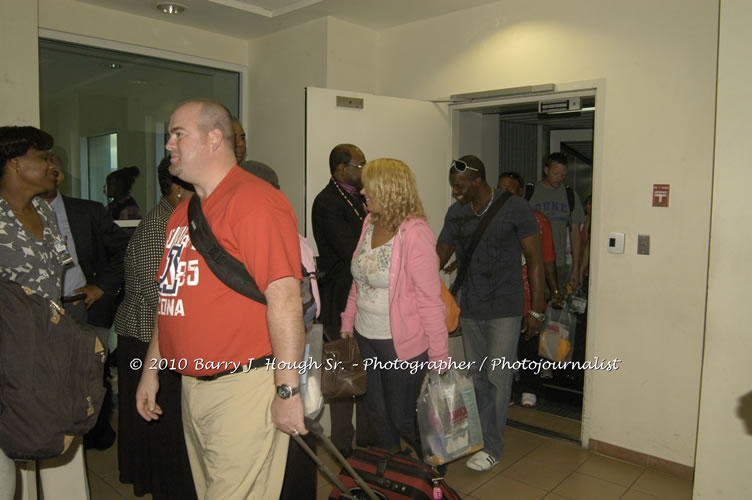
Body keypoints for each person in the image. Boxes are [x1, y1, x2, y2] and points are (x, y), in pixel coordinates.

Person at [135, 99, 305, 500]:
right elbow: (171, 299)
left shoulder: (254, 200)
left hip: (243, 386)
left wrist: (287, 391)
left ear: (214, 138)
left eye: (178, 134)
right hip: (194, 386)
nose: (168, 145)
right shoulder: (183, 214)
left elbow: (285, 298)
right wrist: (150, 370)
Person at [437, 155, 545, 472]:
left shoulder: (515, 208)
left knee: (498, 379)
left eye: (460, 186)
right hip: (470, 307)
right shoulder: (456, 213)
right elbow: (438, 255)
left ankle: (493, 447)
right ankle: (482, 439)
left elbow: (535, 260)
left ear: (478, 181)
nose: (455, 192)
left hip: (505, 309)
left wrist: (537, 310)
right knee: (478, 379)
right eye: (453, 187)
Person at [0, 126, 90, 499]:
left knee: (57, 445)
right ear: (16, 164)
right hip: (8, 354)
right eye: (44, 157)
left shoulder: (43, 211)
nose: (53, 166)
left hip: (50, 350)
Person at [340, 158, 449, 456]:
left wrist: (439, 355)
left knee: (402, 418)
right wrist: (347, 323)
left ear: (389, 189)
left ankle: (433, 464)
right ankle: (394, 473)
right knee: (377, 413)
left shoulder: (415, 233)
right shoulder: (369, 222)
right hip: (366, 337)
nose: (362, 191)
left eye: (369, 186)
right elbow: (358, 279)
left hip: (401, 344)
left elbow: (430, 299)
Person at [237, 159, 320, 500]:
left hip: (276, 349)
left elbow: (288, 303)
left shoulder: (264, 234)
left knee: (279, 426)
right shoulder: (296, 236)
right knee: (298, 423)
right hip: (300, 341)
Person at [114, 157, 196, 500]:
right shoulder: (158, 226)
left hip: (160, 335)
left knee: (159, 422)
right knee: (156, 420)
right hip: (145, 336)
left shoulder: (177, 220)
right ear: (176, 189)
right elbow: (157, 292)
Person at [41, 160, 129, 450]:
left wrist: (101, 287)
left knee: (93, 374)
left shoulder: (87, 211)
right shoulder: (17, 214)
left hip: (83, 305)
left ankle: (96, 436)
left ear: (59, 175)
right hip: (41, 310)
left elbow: (122, 249)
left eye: (49, 166)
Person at [311, 143, 373, 457]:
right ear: (341, 169)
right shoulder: (327, 201)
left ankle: (366, 436)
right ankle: (344, 443)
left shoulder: (357, 197)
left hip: (362, 296)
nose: (364, 169)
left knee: (364, 367)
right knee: (343, 369)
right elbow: (352, 249)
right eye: (360, 164)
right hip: (339, 296)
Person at [498, 171, 558, 408]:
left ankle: (529, 388)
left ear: (520, 191)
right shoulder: (493, 220)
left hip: (530, 293)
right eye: (501, 188)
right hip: (502, 296)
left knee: (528, 345)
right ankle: (508, 389)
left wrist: (553, 290)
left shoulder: (539, 221)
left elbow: (548, 259)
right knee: (504, 347)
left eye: (510, 188)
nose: (504, 192)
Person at [525, 153, 586, 289]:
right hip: (534, 263)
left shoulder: (570, 195)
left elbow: (575, 233)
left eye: (563, 175)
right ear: (546, 170)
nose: (560, 178)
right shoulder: (530, 193)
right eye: (556, 173)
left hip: (559, 264)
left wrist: (576, 267)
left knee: (557, 305)